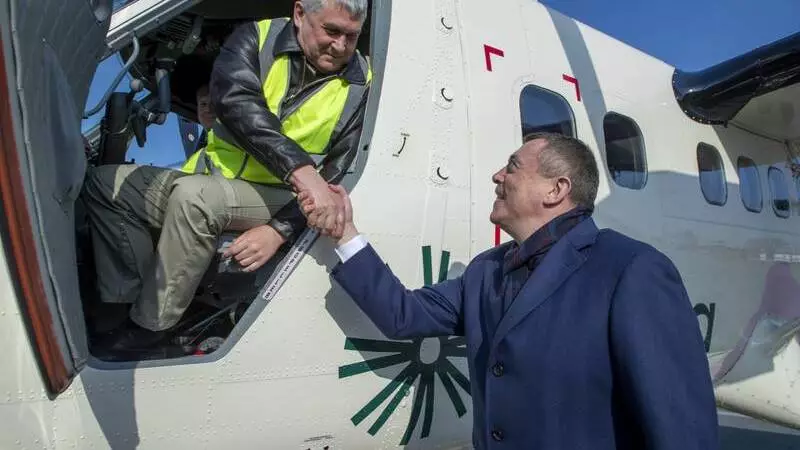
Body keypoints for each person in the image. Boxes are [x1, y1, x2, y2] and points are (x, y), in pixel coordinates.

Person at [304, 133, 719, 449]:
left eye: (513, 167)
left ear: (556, 190)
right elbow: (403, 315)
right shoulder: (485, 271)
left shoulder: (632, 269)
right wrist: (345, 233)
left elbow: (678, 427)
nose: (497, 176)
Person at [82, 0, 371, 351]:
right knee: (106, 185)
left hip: (283, 195)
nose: (340, 46)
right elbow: (236, 102)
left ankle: (152, 326)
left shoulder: (362, 83)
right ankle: (124, 302)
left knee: (196, 198)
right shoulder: (256, 38)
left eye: (351, 36)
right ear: (299, 14)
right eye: (332, 31)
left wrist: (278, 230)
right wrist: (302, 170)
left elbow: (339, 174)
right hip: (224, 179)